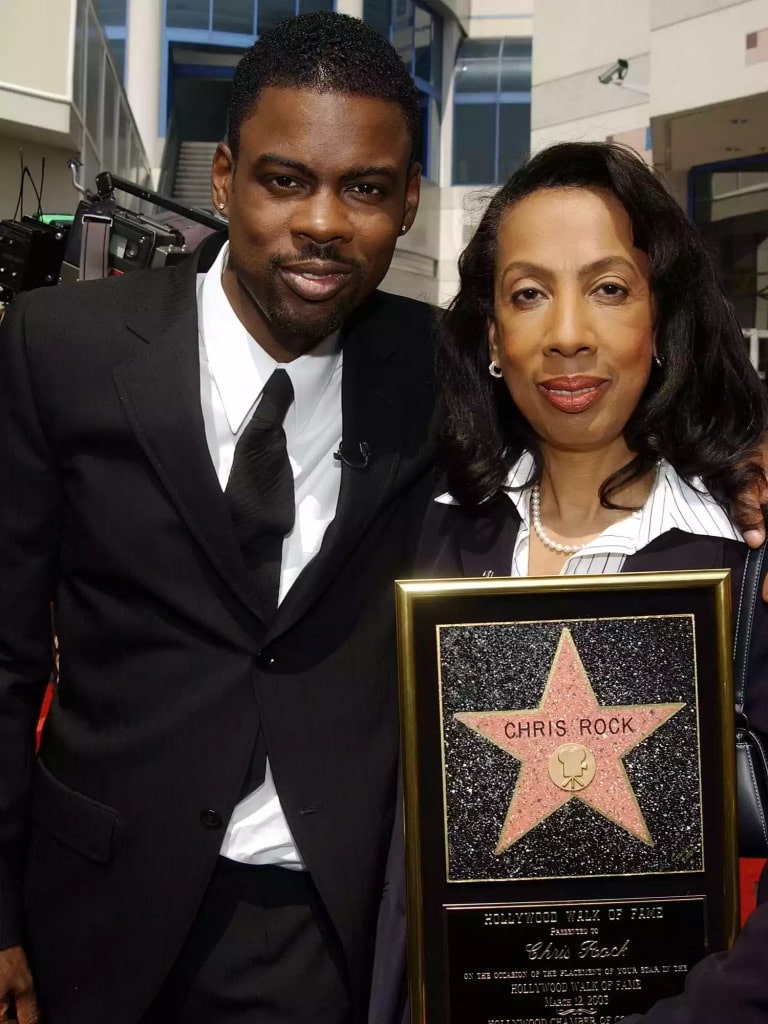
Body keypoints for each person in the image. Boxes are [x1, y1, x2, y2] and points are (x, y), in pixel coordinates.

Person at [0, 13, 435, 1023]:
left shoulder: (442, 369)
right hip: (95, 912)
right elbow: (6, 652)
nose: (323, 221)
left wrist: (735, 474)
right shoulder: (59, 348)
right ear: (225, 178)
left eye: (364, 188)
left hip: (337, 929)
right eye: (286, 180)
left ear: (408, 201)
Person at [378, 140, 768, 1023]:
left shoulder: (742, 557)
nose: (565, 335)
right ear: (490, 334)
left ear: (659, 318)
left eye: (608, 288)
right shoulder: (426, 534)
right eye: (527, 294)